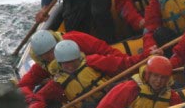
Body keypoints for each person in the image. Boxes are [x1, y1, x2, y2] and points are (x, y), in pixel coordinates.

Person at [27, 40, 155, 108]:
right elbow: (37, 97)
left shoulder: (92, 62)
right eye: (66, 64)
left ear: (78, 57)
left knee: (124, 88)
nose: (71, 66)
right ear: (60, 64)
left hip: (111, 94)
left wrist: (147, 55)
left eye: (74, 62)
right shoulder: (57, 83)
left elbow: (123, 64)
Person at [17, 29, 148, 99]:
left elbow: (107, 52)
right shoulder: (44, 65)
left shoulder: (77, 42)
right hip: (87, 100)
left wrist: (131, 69)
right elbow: (24, 84)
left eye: (52, 51)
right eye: (46, 56)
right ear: (40, 57)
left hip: (108, 81)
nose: (52, 57)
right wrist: (32, 98)